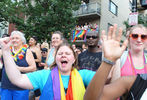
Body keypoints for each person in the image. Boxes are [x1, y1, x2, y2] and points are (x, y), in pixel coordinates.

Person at [0, 24, 128, 100]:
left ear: (73, 59)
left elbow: (111, 80)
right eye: (60, 53)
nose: (63, 55)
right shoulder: (45, 75)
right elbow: (17, 79)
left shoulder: (83, 75)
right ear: (56, 58)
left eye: (67, 53)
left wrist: (112, 60)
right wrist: (5, 52)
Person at [84, 25, 147, 100]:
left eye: (143, 37)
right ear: (129, 38)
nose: (139, 40)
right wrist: (108, 60)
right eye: (135, 36)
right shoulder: (118, 57)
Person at [1, 31, 36, 100]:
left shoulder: (27, 51)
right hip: (6, 85)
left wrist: (19, 69)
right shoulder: (6, 50)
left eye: (17, 38)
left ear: (22, 41)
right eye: (13, 38)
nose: (14, 40)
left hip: (21, 87)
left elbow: (33, 68)